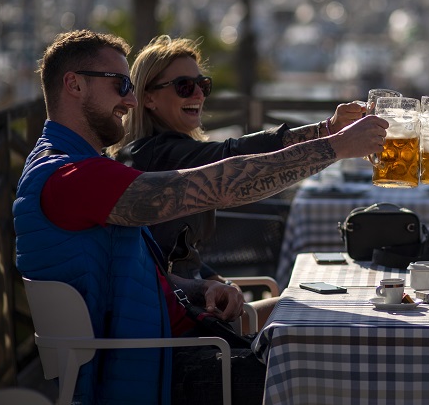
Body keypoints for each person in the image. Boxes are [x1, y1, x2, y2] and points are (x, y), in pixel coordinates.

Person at [13, 30, 387, 405]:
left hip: (177, 345)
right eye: (120, 84)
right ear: (74, 85)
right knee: (348, 369)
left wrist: (199, 287)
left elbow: (130, 271)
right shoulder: (71, 177)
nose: (129, 98)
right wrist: (334, 147)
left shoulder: (71, 167)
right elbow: (219, 184)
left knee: (335, 344)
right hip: (167, 365)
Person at [109, 34, 364, 329]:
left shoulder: (156, 151)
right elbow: (233, 154)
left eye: (203, 85)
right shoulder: (158, 155)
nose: (198, 95)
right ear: (148, 97)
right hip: (179, 325)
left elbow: (175, 254)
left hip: (190, 309)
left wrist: (215, 281)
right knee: (316, 313)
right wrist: (334, 139)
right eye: (184, 87)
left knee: (316, 306)